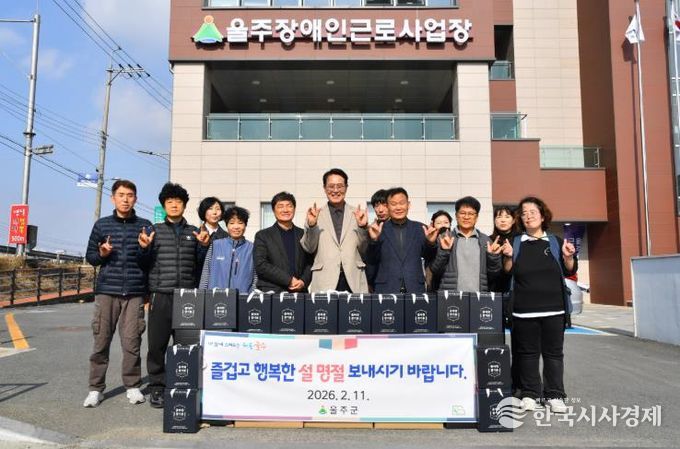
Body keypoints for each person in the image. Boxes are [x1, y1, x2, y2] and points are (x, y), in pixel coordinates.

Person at [500, 196, 577, 413]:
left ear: (543, 216)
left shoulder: (555, 242)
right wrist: (508, 257)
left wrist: (568, 257)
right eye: (524, 213)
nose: (528, 216)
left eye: (532, 212)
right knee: (527, 354)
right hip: (523, 311)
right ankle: (530, 394)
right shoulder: (516, 242)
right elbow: (507, 271)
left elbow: (569, 269)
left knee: (554, 354)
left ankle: (555, 395)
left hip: (555, 309)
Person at [137, 182, 210, 408]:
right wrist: (144, 248)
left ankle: (182, 384)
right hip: (161, 295)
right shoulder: (154, 231)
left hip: (187, 296)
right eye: (170, 202)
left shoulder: (194, 232)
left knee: (184, 345)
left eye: (178, 201)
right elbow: (143, 264)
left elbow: (200, 265)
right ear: (164, 205)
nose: (174, 205)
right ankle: (157, 387)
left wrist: (203, 246)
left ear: (184, 205)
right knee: (157, 345)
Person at [83, 180, 152, 408]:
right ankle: (95, 389)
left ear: (135, 199)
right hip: (107, 291)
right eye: (121, 195)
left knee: (132, 342)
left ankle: (132, 386)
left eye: (130, 195)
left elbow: (149, 262)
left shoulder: (145, 226)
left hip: (134, 291)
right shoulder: (101, 225)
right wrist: (102, 253)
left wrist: (144, 249)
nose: (125, 199)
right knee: (101, 341)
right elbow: (91, 258)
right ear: (113, 198)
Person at [301, 168, 369, 293]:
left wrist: (363, 228)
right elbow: (309, 248)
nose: (336, 190)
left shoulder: (357, 214)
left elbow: (364, 249)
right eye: (331, 186)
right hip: (325, 280)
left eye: (340, 186)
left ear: (346, 187)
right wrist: (312, 226)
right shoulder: (315, 215)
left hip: (353, 279)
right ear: (324, 188)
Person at [366, 187, 438, 294]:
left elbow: (430, 258)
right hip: (386, 289)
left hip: (414, 288)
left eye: (402, 203)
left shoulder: (420, 228)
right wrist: (374, 241)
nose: (398, 207)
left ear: (408, 205)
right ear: (388, 206)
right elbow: (371, 261)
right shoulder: (378, 230)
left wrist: (431, 243)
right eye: (393, 204)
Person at [429, 196, 501, 293]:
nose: (466, 217)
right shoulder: (444, 238)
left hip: (478, 297)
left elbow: (494, 275)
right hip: (451, 297)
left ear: (477, 217)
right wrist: (444, 251)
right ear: (456, 216)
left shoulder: (486, 241)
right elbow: (436, 270)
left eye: (471, 213)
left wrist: (493, 257)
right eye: (462, 213)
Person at [254, 192, 312, 293]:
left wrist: (303, 281)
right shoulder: (263, 235)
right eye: (280, 206)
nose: (285, 210)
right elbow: (261, 265)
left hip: (299, 293)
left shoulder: (303, 234)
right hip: (272, 293)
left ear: (294, 209)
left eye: (289, 206)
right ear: (273, 210)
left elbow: (310, 262)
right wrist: (289, 280)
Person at [199, 206, 256, 292]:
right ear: (227, 225)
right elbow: (206, 273)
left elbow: (256, 277)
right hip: (215, 297)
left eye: (240, 223)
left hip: (242, 297)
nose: (236, 227)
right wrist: (202, 294)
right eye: (232, 223)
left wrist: (250, 294)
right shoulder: (215, 245)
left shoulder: (252, 248)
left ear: (245, 225)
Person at [489, 205, 518, 293]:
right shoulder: (488, 240)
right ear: (494, 221)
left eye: (507, 217)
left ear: (513, 220)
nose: (503, 220)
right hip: (493, 290)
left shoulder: (520, 239)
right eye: (499, 217)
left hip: (516, 289)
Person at [425, 210, 452, 292]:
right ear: (433, 225)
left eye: (446, 222)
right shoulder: (430, 242)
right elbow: (433, 268)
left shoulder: (455, 239)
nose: (443, 225)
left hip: (452, 284)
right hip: (435, 285)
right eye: (439, 223)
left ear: (450, 224)